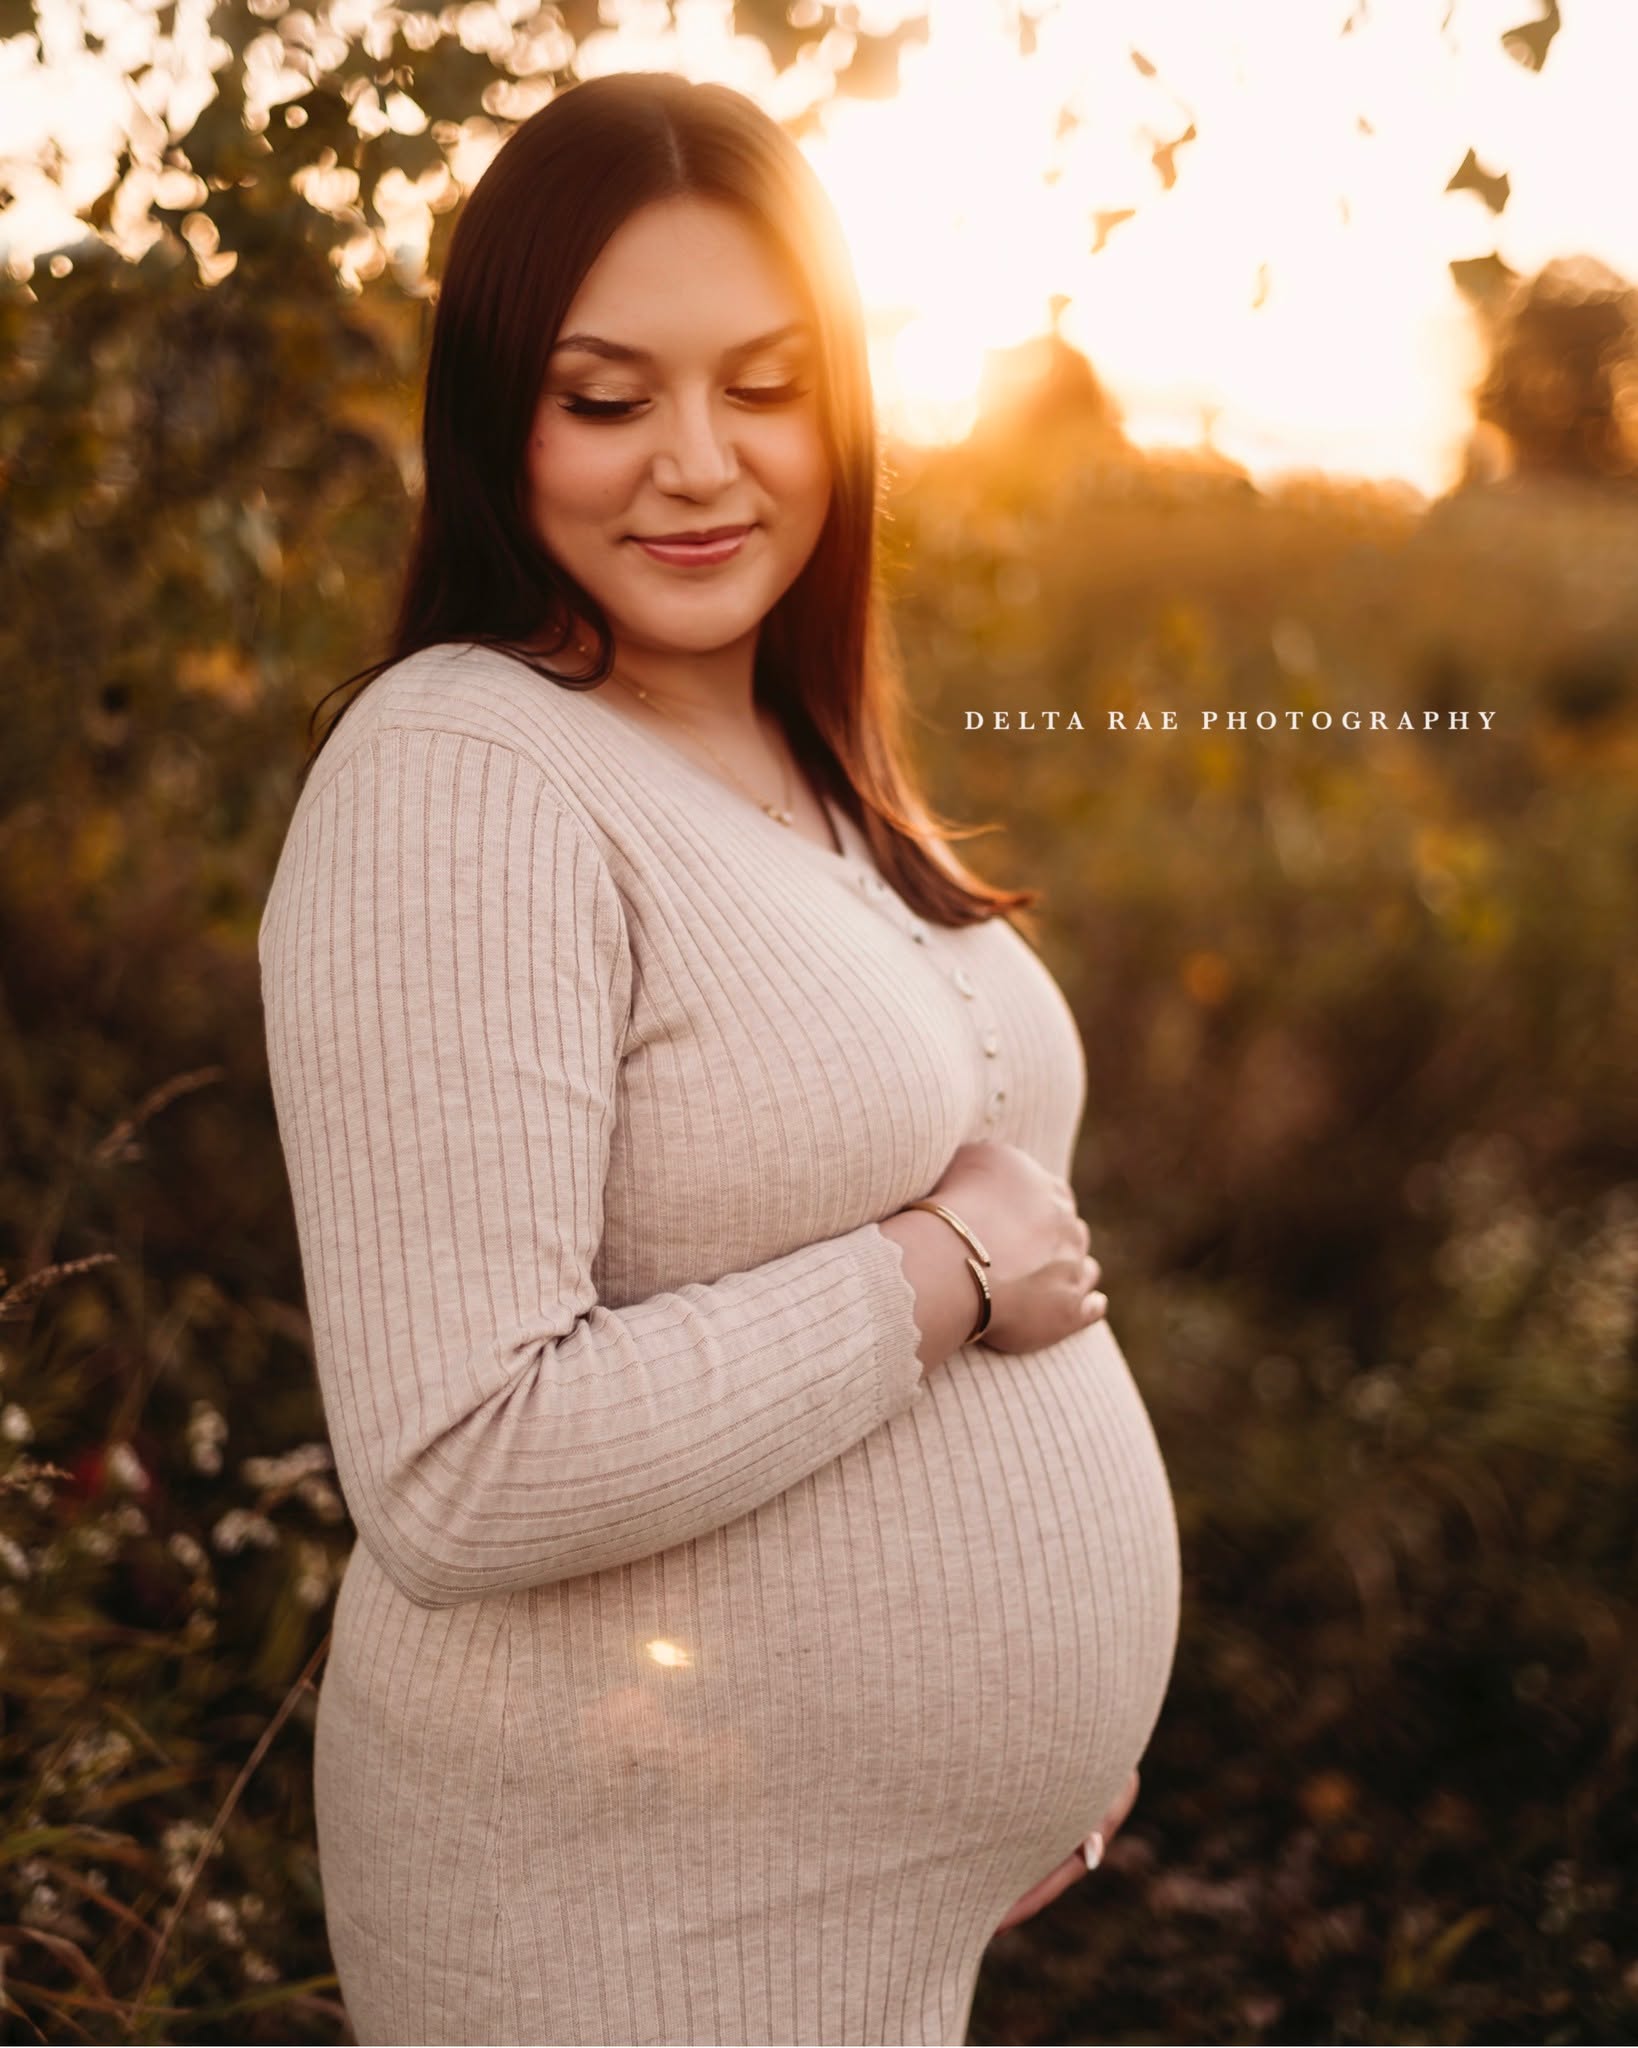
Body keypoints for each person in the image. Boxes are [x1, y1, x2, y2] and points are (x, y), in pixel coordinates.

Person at [258, 68, 1180, 2048]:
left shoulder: (803, 754)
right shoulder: (462, 769)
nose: (697, 464)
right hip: (625, 1934)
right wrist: (932, 1278)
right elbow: (460, 1459)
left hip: (847, 1921)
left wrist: (1033, 1736)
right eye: (609, 398)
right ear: (499, 419)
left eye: (761, 386)